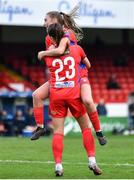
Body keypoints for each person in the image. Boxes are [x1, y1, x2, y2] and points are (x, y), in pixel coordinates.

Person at [31, 8, 107, 146]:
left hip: (77, 75)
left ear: (54, 21)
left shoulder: (68, 34)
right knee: (36, 95)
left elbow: (61, 51)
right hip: (61, 77)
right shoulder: (48, 38)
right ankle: (40, 127)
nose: (43, 23)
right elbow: (55, 55)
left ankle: (99, 132)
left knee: (88, 101)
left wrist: (43, 53)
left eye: (45, 20)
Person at [41, 23, 102, 176]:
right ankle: (92, 161)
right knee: (86, 128)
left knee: (58, 132)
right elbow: (87, 65)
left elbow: (54, 52)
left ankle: (58, 166)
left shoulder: (48, 54)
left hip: (56, 96)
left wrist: (45, 52)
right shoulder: (77, 49)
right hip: (73, 94)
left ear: (51, 38)